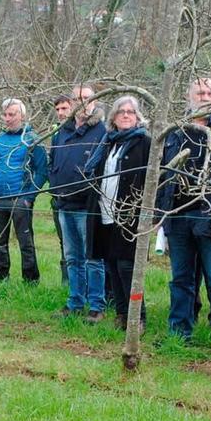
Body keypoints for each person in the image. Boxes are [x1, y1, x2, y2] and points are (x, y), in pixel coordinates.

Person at [157, 77, 211, 355]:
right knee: (181, 279)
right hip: (178, 216)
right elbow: (161, 174)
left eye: (210, 93)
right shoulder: (175, 131)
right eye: (200, 92)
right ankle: (179, 331)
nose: (205, 97)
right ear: (189, 96)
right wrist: (161, 213)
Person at [84, 95, 151, 331]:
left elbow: (150, 180)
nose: (125, 115)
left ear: (137, 117)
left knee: (127, 267)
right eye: (121, 111)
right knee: (111, 265)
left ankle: (137, 317)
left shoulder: (144, 143)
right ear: (113, 116)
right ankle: (121, 315)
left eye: (130, 112)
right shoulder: (108, 142)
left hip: (130, 216)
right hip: (105, 212)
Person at [49, 85, 107, 321]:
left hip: (88, 206)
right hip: (64, 204)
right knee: (72, 258)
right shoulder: (63, 131)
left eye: (86, 98)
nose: (82, 102)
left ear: (94, 100)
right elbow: (53, 161)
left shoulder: (102, 132)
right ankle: (75, 302)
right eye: (77, 99)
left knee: (93, 258)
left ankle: (96, 306)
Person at [0, 98, 48, 283]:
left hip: (20, 200)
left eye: (13, 114)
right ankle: (0, 279)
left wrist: (29, 197)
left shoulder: (32, 139)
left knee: (25, 243)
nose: (8, 118)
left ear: (22, 116)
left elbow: (42, 171)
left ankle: (30, 280)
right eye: (6, 114)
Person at [51, 94, 72, 285]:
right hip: (58, 197)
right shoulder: (57, 134)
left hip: (77, 199)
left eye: (64, 108)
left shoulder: (78, 133)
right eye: (57, 109)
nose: (60, 113)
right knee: (62, 240)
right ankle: (66, 282)